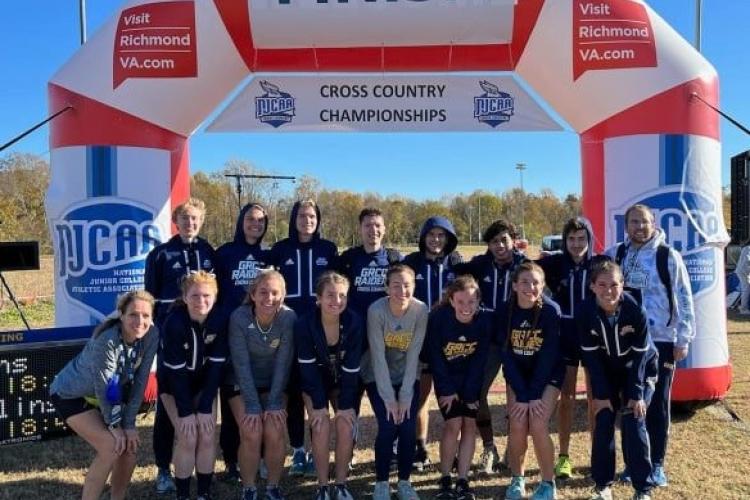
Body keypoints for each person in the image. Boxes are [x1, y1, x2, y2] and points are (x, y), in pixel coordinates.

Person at [605, 204, 695, 487]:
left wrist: (683, 338)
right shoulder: (616, 253)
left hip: (661, 341)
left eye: (643, 222)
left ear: (653, 223)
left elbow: (684, 297)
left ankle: (656, 464)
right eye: (633, 222)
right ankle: (633, 464)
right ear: (626, 225)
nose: (638, 227)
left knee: (656, 405)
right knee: (630, 404)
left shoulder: (668, 256)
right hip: (626, 342)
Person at [49, 291, 158, 500]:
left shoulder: (152, 334)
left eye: (146, 316)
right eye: (133, 314)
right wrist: (115, 426)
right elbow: (106, 387)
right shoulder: (107, 340)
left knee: (129, 449)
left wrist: (129, 424)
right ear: (121, 315)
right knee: (111, 446)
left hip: (106, 395)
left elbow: (140, 382)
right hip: (71, 394)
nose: (140, 321)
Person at [144, 197, 216, 494]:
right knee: (168, 407)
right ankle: (163, 468)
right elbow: (150, 296)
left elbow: (214, 293)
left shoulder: (208, 251)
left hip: (203, 334)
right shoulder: (161, 254)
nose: (191, 223)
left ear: (201, 220)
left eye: (195, 219)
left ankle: (208, 476)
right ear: (176, 221)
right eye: (185, 218)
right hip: (171, 335)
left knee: (206, 406)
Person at [269, 199, 338, 476]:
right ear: (294, 218)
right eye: (302, 215)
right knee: (294, 394)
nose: (307, 220)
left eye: (311, 216)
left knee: (316, 392)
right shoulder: (280, 249)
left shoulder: (328, 249)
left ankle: (317, 449)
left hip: (319, 330)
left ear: (317, 219)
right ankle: (298, 450)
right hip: (287, 329)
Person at [579, 260, 657, 500]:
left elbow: (641, 356)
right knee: (603, 421)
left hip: (640, 371)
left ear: (623, 285)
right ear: (592, 286)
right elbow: (591, 359)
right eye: (601, 285)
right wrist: (601, 396)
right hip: (607, 372)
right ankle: (603, 486)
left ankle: (642, 488)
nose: (608, 291)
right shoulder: (585, 312)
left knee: (634, 421)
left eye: (614, 284)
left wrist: (635, 395)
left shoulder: (635, 310)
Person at [454, 219, 527, 474]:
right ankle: (489, 447)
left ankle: (513, 449)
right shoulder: (479, 265)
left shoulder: (525, 265)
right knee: (476, 392)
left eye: (504, 240)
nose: (499, 246)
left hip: (518, 339)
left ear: (514, 240)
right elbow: (454, 270)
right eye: (494, 241)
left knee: (517, 396)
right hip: (488, 341)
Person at [227, 270, 297, 500]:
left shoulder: (288, 318)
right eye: (263, 292)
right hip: (242, 383)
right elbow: (241, 365)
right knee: (252, 430)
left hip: (274, 384)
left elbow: (283, 363)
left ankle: (272, 488)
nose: (269, 298)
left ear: (283, 295)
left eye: (275, 292)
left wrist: (275, 401)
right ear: (253, 294)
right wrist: (254, 406)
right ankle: (249, 488)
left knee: (275, 430)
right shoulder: (239, 317)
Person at [497, 262, 564, 500]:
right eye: (524, 282)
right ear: (514, 285)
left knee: (537, 424)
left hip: (547, 377)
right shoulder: (505, 311)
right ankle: (517, 479)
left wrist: (533, 394)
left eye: (536, 282)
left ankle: (548, 483)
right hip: (518, 376)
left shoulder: (550, 311)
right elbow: (506, 355)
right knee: (516, 423)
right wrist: (522, 393)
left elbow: (548, 358)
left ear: (543, 285)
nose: (530, 287)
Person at [158, 271, 227, 500]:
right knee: (188, 436)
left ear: (215, 297)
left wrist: (206, 405)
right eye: (195, 296)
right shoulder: (174, 322)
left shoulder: (219, 319)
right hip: (173, 386)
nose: (201, 301)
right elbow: (175, 375)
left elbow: (216, 367)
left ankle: (204, 493)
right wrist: (186, 412)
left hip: (204, 384)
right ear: (185, 297)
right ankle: (183, 494)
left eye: (207, 296)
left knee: (207, 434)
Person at [295, 271, 363, 500]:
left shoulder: (354, 321)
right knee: (321, 424)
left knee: (345, 424)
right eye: (330, 295)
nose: (336, 301)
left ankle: (341, 484)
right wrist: (318, 404)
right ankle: (322, 486)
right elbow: (307, 368)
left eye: (342, 295)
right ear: (319, 298)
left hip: (343, 381)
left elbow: (352, 368)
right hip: (314, 382)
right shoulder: (305, 323)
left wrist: (346, 405)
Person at [537, 216, 597, 479]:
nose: (576, 244)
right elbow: (523, 267)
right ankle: (564, 456)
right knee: (567, 399)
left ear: (589, 239)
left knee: (596, 399)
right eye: (571, 239)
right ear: (564, 241)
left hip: (594, 336)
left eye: (581, 238)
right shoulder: (554, 262)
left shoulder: (599, 264)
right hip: (566, 337)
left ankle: (598, 454)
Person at [215, 202, 271, 481]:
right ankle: (231, 461)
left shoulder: (268, 255)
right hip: (231, 332)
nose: (255, 224)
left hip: (261, 333)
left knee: (258, 395)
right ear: (241, 221)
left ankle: (259, 456)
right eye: (251, 219)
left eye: (261, 221)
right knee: (231, 399)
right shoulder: (225, 253)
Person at [363, 264, 428, 500]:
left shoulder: (421, 310)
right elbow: (377, 356)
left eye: (407, 285)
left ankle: (404, 482)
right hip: (378, 375)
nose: (402, 290)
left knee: (408, 427)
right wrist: (390, 399)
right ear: (386, 287)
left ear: (414, 286)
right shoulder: (376, 310)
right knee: (389, 424)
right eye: (396, 285)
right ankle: (381, 482)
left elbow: (414, 354)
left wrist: (405, 396)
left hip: (407, 376)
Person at [403, 216, 463, 470]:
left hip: (450, 340)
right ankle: (420, 446)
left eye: (441, 235)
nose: (436, 240)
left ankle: (457, 450)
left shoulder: (457, 264)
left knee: (454, 396)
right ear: (423, 237)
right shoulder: (412, 263)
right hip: (421, 340)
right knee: (421, 396)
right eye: (431, 235)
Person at [427, 275, 492, 500]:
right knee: (453, 424)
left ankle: (463, 480)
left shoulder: (483, 321)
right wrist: (446, 390)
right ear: (452, 300)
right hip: (447, 379)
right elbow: (436, 357)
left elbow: (479, 360)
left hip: (469, 380)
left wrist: (470, 394)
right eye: (461, 302)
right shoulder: (438, 318)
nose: (466, 307)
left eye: (472, 302)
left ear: (478, 302)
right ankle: (445, 479)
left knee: (470, 424)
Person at [337, 207, 402, 319]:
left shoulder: (395, 259)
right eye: (367, 225)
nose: (373, 230)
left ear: (384, 229)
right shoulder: (348, 258)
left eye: (377, 225)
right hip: (355, 325)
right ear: (360, 229)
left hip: (385, 323)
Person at [734, 241, 750, 314]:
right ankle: (743, 309)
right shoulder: (748, 248)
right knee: (746, 289)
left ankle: (742, 306)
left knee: (745, 289)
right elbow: (747, 260)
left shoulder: (746, 248)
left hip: (742, 271)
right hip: (743, 271)